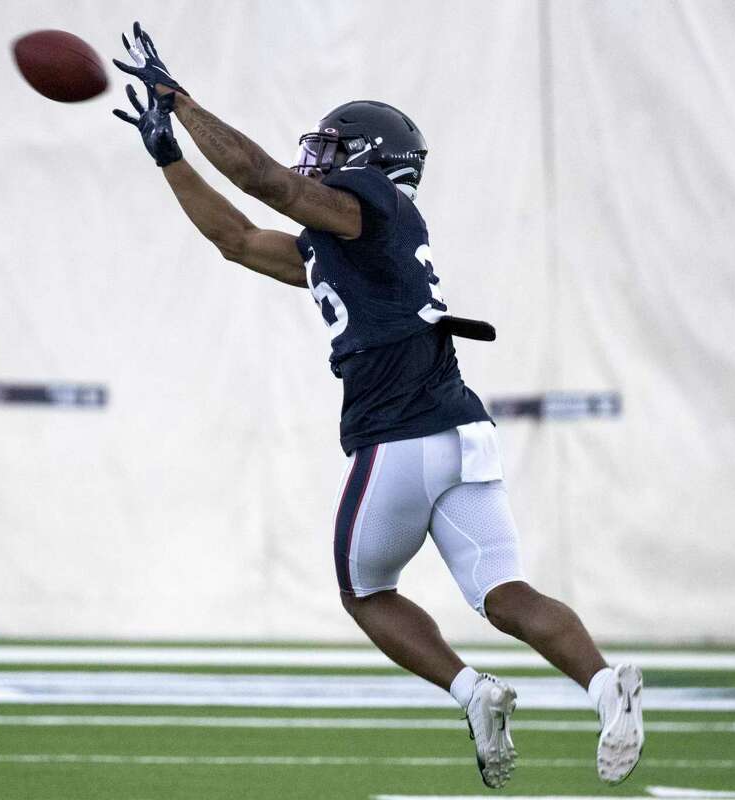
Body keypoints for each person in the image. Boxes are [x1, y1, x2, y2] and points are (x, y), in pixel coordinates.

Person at [112, 22, 644, 789]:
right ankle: (605, 687)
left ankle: (471, 692)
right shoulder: (350, 243)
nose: (317, 161)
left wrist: (182, 104)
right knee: (503, 593)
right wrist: (168, 156)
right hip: (463, 429)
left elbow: (267, 182)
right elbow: (234, 237)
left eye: (332, 149)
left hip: (396, 436)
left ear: (367, 162)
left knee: (364, 592)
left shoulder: (367, 204)